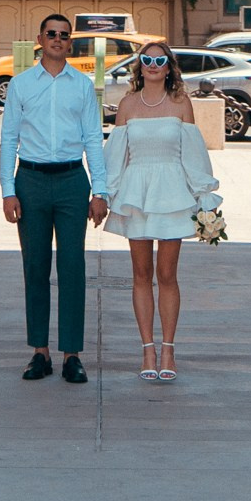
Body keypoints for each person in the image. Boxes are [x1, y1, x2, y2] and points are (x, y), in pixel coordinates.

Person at [0, 12, 108, 382]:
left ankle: (72, 355)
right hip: (30, 180)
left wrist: (100, 190)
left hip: (72, 182)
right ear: (40, 40)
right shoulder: (21, 85)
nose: (58, 39)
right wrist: (8, 190)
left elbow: (94, 137)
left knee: (73, 269)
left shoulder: (82, 85)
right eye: (51, 34)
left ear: (70, 42)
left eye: (64, 35)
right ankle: (39, 352)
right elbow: (8, 139)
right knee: (35, 268)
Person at [102, 40, 219, 381]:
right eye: (147, 59)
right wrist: (103, 196)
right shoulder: (126, 104)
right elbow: (116, 159)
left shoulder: (182, 103)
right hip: (135, 194)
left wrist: (206, 199)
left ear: (169, 67)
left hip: (172, 195)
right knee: (141, 275)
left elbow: (194, 156)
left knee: (167, 275)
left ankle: (168, 348)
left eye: (160, 59)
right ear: (140, 66)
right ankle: (147, 351)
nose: (153, 64)